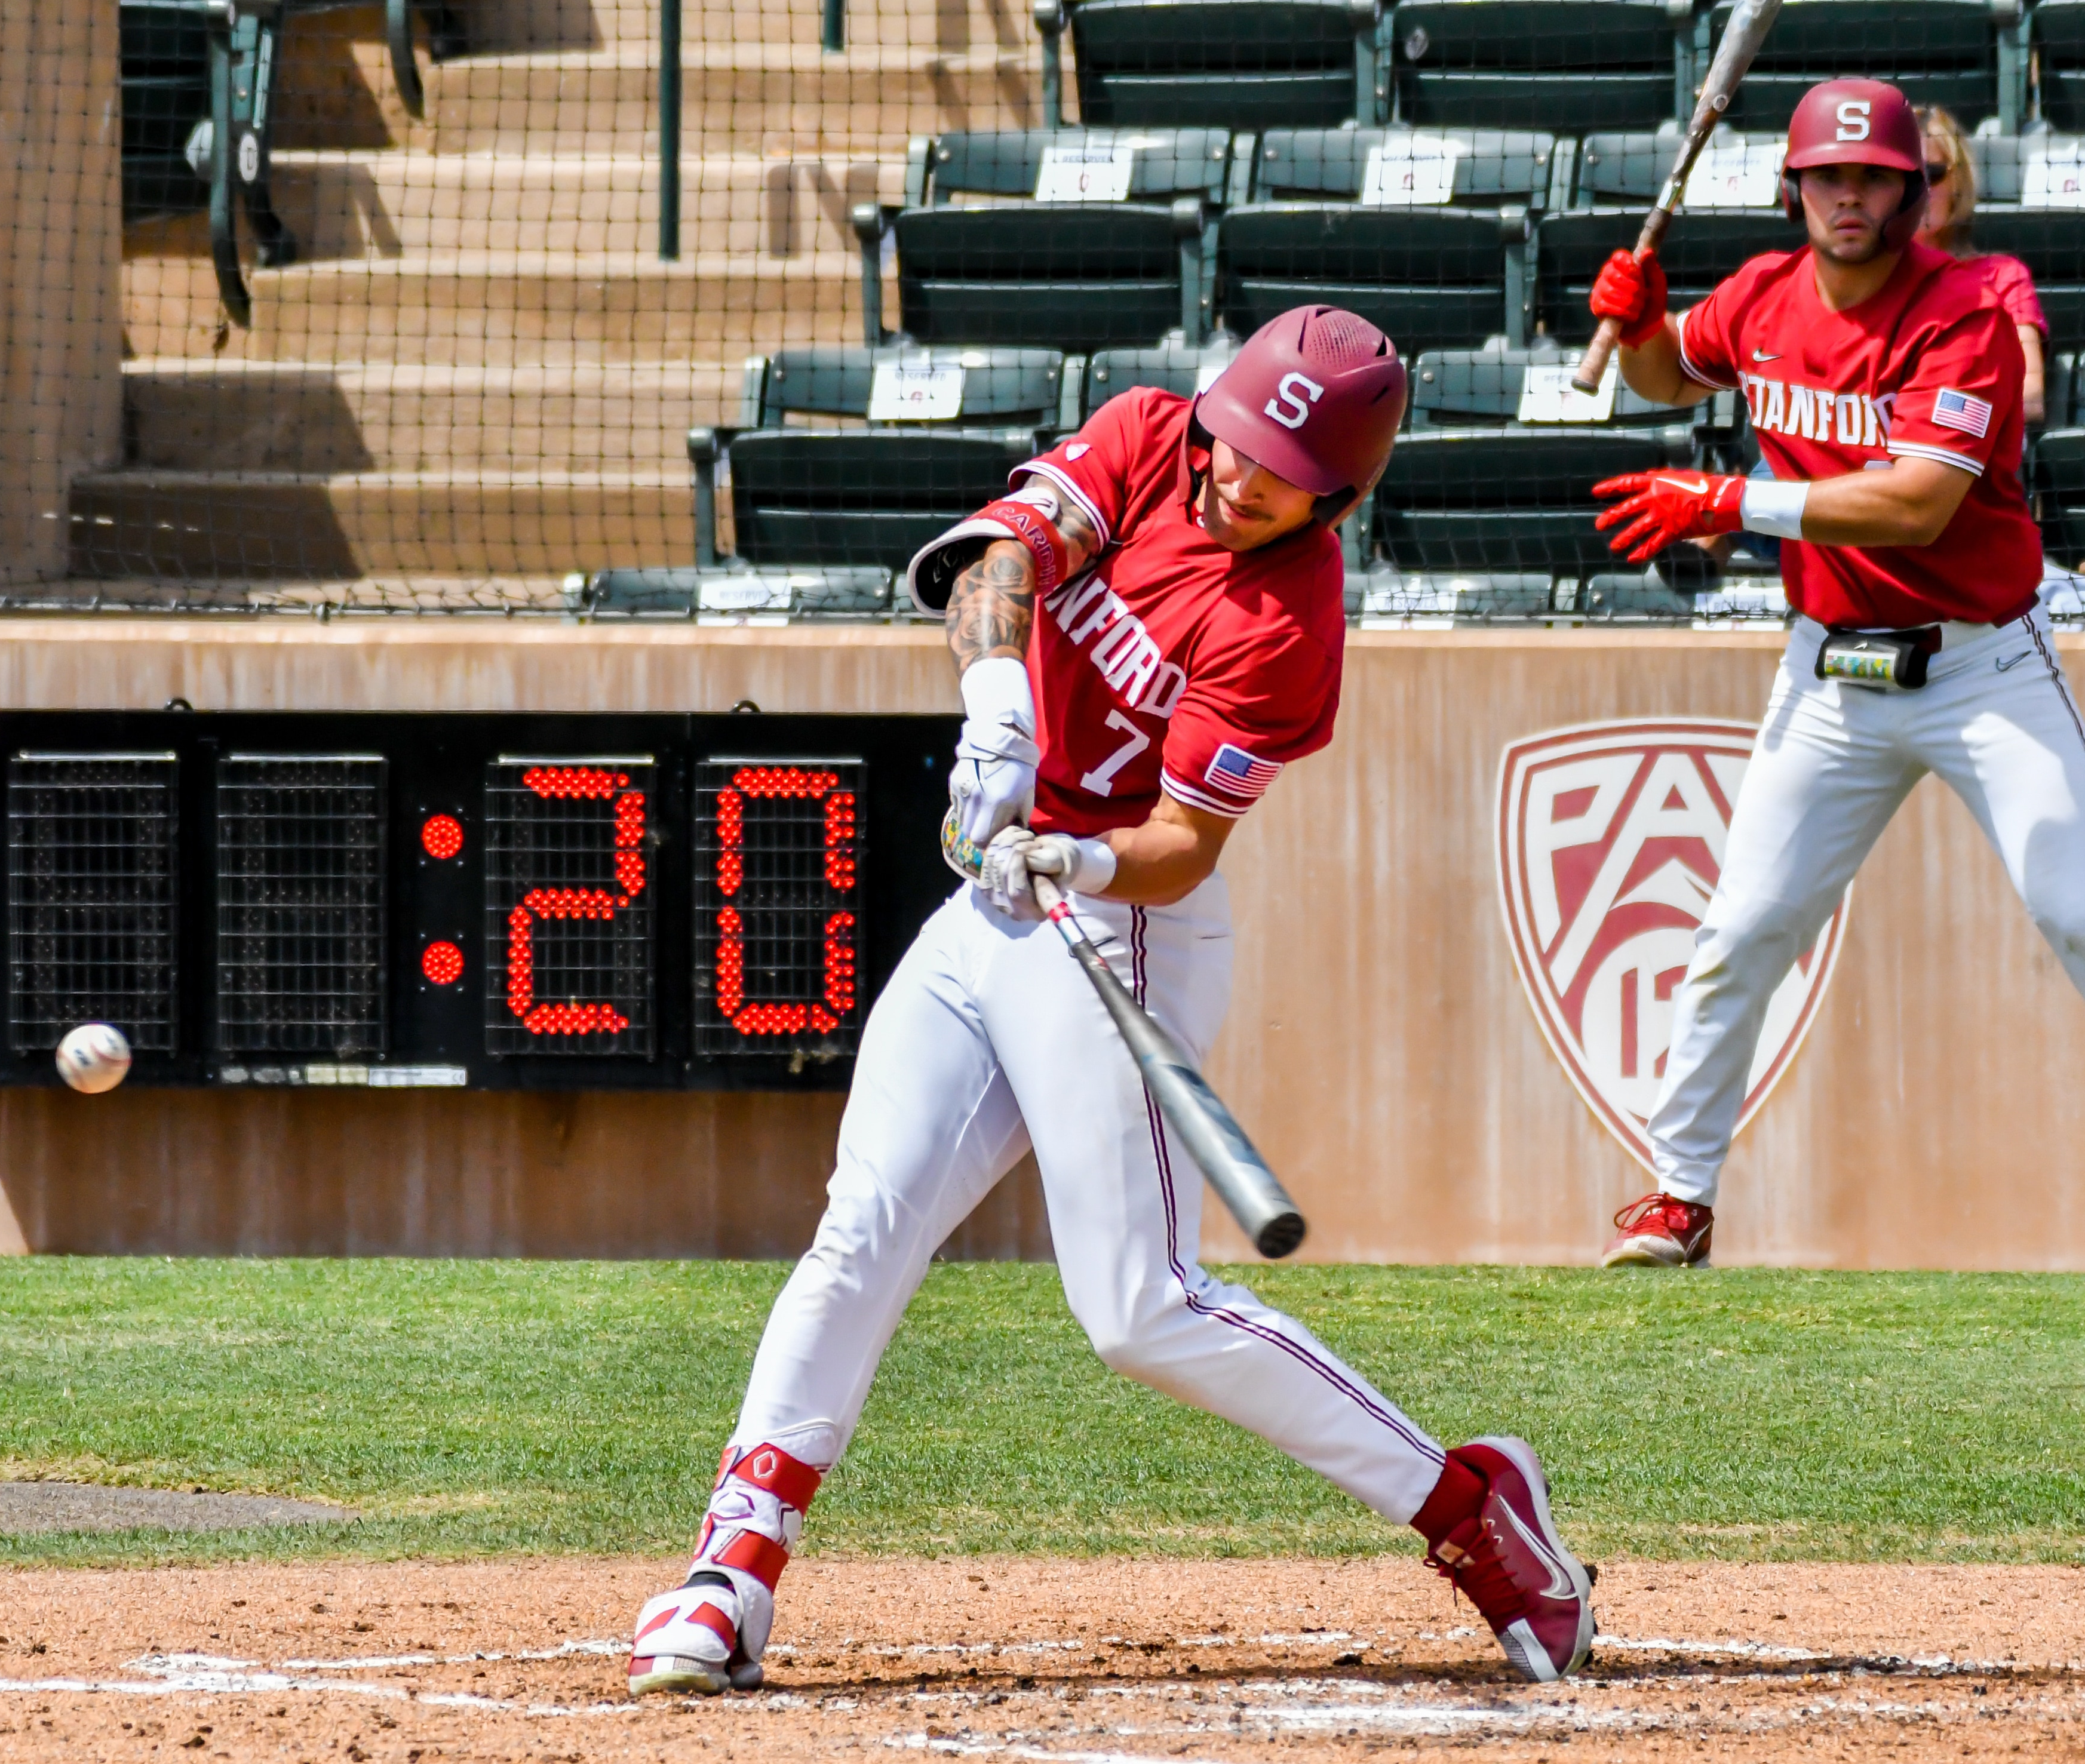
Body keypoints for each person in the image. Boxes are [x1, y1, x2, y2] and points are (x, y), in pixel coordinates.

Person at [624, 307, 1596, 1695]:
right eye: (1237, 437)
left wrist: (1071, 849)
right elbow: (995, 558)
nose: (1236, 474)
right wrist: (997, 716)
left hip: (1122, 923)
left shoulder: (1286, 621)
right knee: (865, 1223)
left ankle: (1469, 1513)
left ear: (1338, 492)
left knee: (1140, 1308)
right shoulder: (1149, 437)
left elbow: (1181, 848)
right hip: (989, 918)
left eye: (1277, 468)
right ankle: (733, 1571)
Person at [1585, 78, 2081, 1269]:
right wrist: (1645, 325)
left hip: (1980, 667)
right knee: (1737, 931)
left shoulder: (1964, 308)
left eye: (1871, 177)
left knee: (2074, 907)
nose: (1847, 195)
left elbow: (1916, 506)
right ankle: (1675, 1195)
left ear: (1914, 192)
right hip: (1827, 680)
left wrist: (1729, 499)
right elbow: (1665, 380)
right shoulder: (1760, 293)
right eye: (1826, 176)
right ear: (1792, 187)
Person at [1915, 104, 2048, 423]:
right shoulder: (1867, 276)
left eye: (1932, 175)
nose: (1918, 191)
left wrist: (1930, 417)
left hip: (1975, 451)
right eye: (1903, 176)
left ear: (1957, 181)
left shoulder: (2002, 276)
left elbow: (2029, 396)